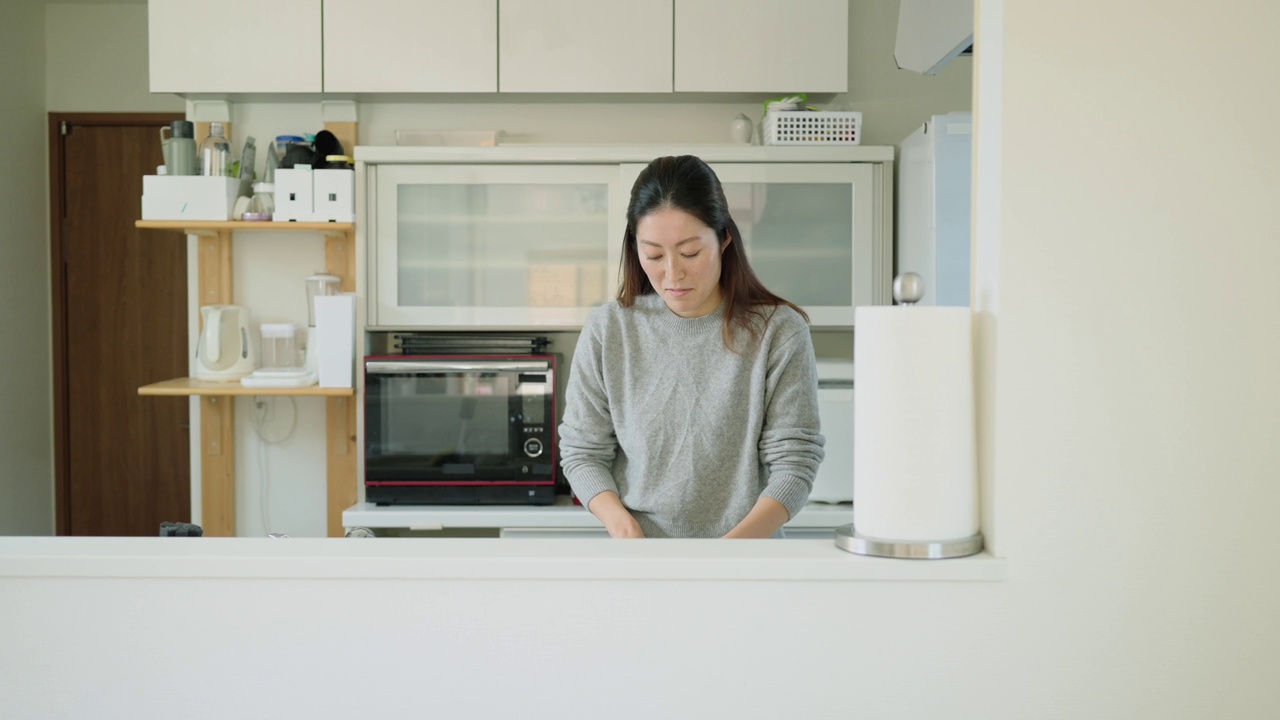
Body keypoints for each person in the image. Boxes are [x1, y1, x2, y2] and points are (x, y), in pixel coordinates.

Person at [558, 155, 825, 539]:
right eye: (653, 254)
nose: (672, 273)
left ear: (724, 239)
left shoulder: (778, 332)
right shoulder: (609, 330)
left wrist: (726, 555)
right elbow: (582, 452)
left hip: (746, 561)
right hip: (641, 559)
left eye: (690, 253)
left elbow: (795, 463)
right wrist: (625, 529)